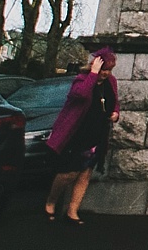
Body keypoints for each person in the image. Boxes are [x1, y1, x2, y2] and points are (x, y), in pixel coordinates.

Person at [44, 48, 121, 225]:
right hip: (78, 133)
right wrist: (93, 75)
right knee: (68, 173)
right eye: (103, 70)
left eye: (108, 70)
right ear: (95, 66)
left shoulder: (111, 82)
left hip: (97, 133)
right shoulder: (82, 80)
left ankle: (72, 211)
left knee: (85, 173)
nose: (106, 74)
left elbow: (115, 102)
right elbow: (80, 95)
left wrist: (115, 113)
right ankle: (51, 201)